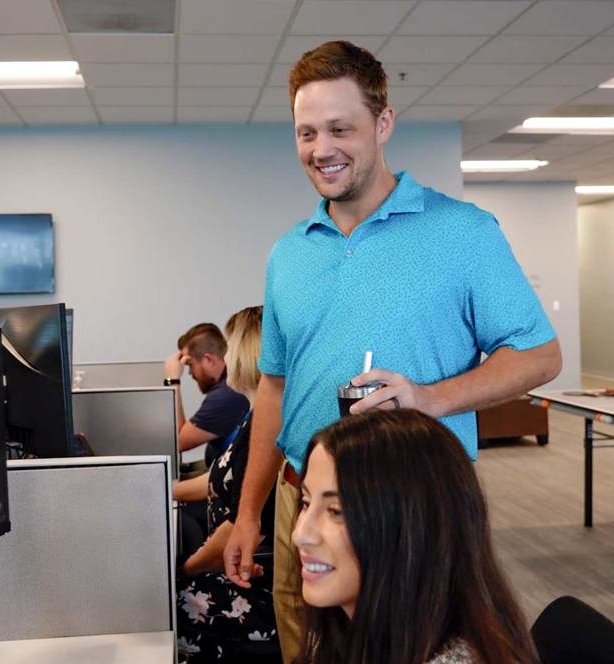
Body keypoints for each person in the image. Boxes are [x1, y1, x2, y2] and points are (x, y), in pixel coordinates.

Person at [223, 40, 562, 662]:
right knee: (308, 649)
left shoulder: (462, 232)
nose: (321, 149)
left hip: (411, 509)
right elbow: (273, 388)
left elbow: (540, 355)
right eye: (305, 133)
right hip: (302, 498)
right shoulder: (289, 253)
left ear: (383, 124)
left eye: (339, 128)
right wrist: (248, 513)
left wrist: (428, 398)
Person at [292, 409, 537, 664]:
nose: (300, 534)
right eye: (306, 503)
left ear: (411, 530)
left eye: (336, 511)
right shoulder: (345, 628)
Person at [172, 306, 280, 663]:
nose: (224, 356)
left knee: (172, 604)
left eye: (230, 346)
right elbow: (218, 478)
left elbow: (239, 523)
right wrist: (161, 491)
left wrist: (184, 570)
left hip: (249, 572)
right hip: (232, 558)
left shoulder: (264, 430)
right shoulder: (253, 417)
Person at [166, 322, 250, 467]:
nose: (190, 373)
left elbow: (176, 442)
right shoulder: (228, 386)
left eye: (190, 364)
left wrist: (173, 381)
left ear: (208, 360)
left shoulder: (226, 396)